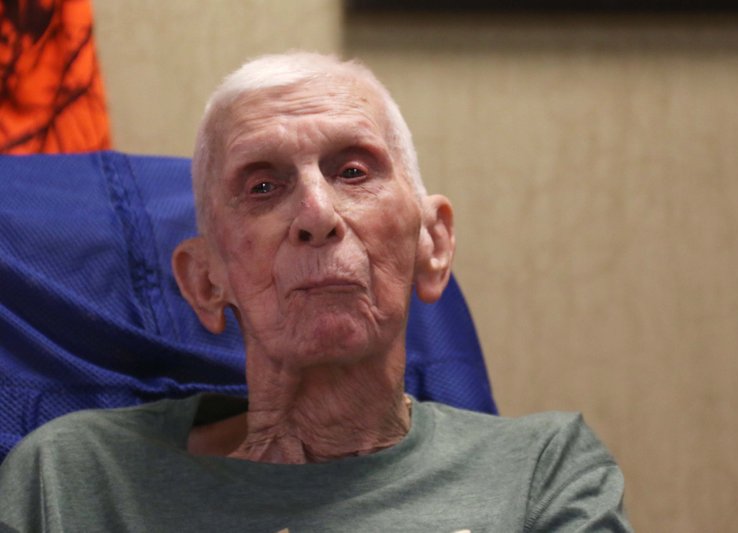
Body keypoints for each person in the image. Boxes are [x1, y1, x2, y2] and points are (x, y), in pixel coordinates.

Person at [0, 52, 631, 532]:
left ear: (432, 243)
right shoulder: (69, 477)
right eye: (263, 187)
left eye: (353, 171)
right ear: (204, 280)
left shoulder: (542, 470)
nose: (316, 213)